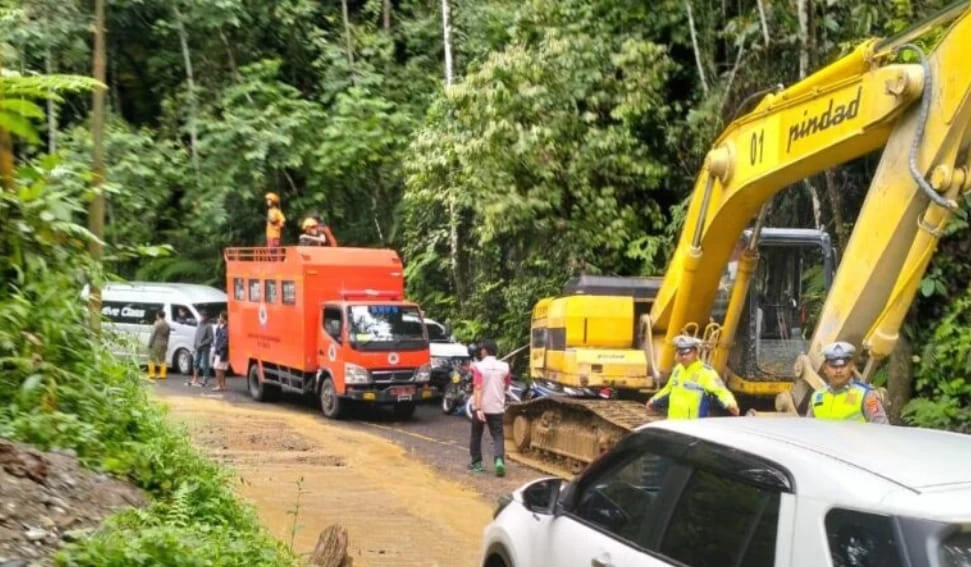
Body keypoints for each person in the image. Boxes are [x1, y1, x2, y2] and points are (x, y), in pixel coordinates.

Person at [645, 335, 740, 419]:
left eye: (687, 353)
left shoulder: (706, 372)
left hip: (694, 426)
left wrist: (730, 404)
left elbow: (721, 391)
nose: (683, 357)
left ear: (695, 352)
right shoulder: (678, 370)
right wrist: (653, 401)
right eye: (680, 354)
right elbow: (668, 389)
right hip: (674, 423)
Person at [806, 341, 888, 423]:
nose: (838, 370)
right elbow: (808, 430)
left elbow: (882, 429)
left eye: (843, 365)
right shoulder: (816, 398)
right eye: (834, 366)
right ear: (825, 368)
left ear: (851, 366)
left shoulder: (865, 395)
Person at [469, 339, 510, 477]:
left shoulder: (478, 367)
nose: (480, 351)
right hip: (496, 406)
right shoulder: (505, 367)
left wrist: (479, 409)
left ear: (485, 351)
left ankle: (477, 464)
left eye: (481, 349)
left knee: (476, 435)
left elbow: (478, 388)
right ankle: (499, 460)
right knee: (498, 435)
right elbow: (507, 386)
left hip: (480, 407)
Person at [188, 310, 213, 387]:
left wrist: (203, 343)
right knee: (196, 362)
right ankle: (195, 378)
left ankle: (205, 379)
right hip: (198, 347)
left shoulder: (209, 326)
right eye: (201, 316)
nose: (201, 317)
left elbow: (211, 338)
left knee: (205, 363)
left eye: (202, 316)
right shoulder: (199, 324)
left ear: (206, 317)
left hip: (205, 347)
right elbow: (196, 335)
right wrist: (194, 346)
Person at [147, 310, 171, 380]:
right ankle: (162, 374)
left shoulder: (157, 323)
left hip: (156, 343)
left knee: (152, 358)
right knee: (162, 359)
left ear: (158, 315)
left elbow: (153, 334)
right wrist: (166, 344)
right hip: (164, 343)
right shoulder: (167, 324)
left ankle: (151, 374)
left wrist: (150, 343)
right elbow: (168, 335)